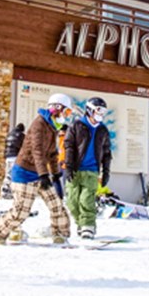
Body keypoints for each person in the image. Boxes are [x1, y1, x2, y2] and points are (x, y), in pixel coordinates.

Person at [0, 93, 73, 245]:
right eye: (66, 112)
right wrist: (43, 175)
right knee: (21, 211)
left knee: (56, 204)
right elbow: (37, 151)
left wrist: (55, 174)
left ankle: (60, 234)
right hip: (25, 173)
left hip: (41, 173)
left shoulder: (52, 126)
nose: (66, 116)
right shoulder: (39, 124)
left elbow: (52, 153)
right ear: (57, 108)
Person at [63, 96, 113, 240]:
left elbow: (107, 152)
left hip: (92, 171)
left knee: (86, 200)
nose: (101, 114)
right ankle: (81, 223)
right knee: (72, 202)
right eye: (98, 110)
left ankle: (88, 226)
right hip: (75, 169)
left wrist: (106, 172)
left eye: (103, 111)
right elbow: (69, 146)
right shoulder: (77, 126)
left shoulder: (103, 130)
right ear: (90, 110)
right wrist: (69, 167)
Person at [0, 122, 24, 199]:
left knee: (8, 173)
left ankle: (7, 192)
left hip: (8, 157)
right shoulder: (20, 135)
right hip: (15, 157)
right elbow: (23, 146)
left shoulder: (9, 134)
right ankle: (5, 192)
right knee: (11, 175)